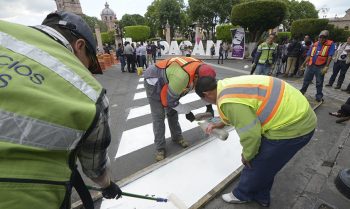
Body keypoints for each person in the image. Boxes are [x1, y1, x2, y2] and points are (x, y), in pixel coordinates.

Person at [0, 11, 121, 209]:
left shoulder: (5, 32)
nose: (87, 73)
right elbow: (94, 168)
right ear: (79, 46)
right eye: (89, 65)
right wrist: (107, 185)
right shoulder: (89, 94)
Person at [195, 75, 317, 207]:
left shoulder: (228, 101)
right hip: (297, 113)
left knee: (255, 163)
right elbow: (243, 107)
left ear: (206, 94)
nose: (208, 103)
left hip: (292, 128)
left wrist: (247, 155)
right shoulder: (225, 85)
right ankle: (261, 196)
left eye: (205, 100)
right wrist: (220, 124)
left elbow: (251, 135)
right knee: (267, 165)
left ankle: (242, 194)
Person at [143, 57, 217, 161]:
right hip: (153, 80)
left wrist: (209, 107)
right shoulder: (182, 78)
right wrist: (187, 112)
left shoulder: (204, 70)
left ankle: (177, 137)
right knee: (159, 116)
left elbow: (203, 89)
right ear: (196, 76)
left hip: (171, 78)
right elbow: (171, 101)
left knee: (172, 112)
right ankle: (160, 148)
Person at [300, 30, 335, 102]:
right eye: (320, 37)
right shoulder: (315, 44)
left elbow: (330, 56)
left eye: (324, 37)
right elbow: (309, 55)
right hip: (310, 65)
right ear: (318, 37)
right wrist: (303, 65)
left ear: (327, 38)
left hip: (321, 67)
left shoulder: (331, 44)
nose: (321, 39)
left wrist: (327, 66)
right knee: (306, 80)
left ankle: (319, 96)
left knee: (319, 82)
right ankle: (302, 92)